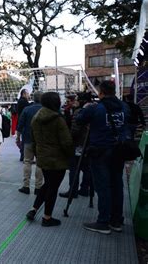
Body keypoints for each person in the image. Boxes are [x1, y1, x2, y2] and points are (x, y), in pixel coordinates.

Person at [77, 81, 129, 234]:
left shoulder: (95, 108)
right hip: (119, 150)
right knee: (117, 185)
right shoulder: (124, 107)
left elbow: (80, 120)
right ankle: (116, 220)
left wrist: (84, 109)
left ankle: (103, 221)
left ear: (101, 93)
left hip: (100, 151)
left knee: (103, 186)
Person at [25, 92, 73, 227]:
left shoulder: (36, 118)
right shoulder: (58, 119)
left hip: (43, 157)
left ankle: (34, 209)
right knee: (53, 188)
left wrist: (38, 153)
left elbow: (33, 140)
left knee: (47, 185)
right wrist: (70, 156)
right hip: (58, 159)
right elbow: (66, 142)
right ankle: (47, 217)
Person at [59, 92, 92, 199]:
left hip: (78, 144)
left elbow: (75, 131)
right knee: (86, 167)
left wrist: (68, 140)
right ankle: (85, 189)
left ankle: (73, 191)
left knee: (74, 168)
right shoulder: (95, 110)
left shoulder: (79, 112)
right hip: (89, 144)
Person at [16, 91, 43, 194]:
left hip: (28, 139)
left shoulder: (27, 109)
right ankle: (38, 187)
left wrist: (18, 138)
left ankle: (26, 186)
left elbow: (20, 125)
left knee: (27, 162)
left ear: (33, 98)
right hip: (41, 140)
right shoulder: (45, 110)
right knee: (40, 163)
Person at [16, 89, 30, 161]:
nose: (29, 95)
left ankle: (23, 155)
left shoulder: (21, 101)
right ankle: (23, 155)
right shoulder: (23, 101)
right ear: (24, 94)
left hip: (21, 123)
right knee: (24, 140)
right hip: (23, 123)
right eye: (28, 94)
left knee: (23, 140)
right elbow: (27, 108)